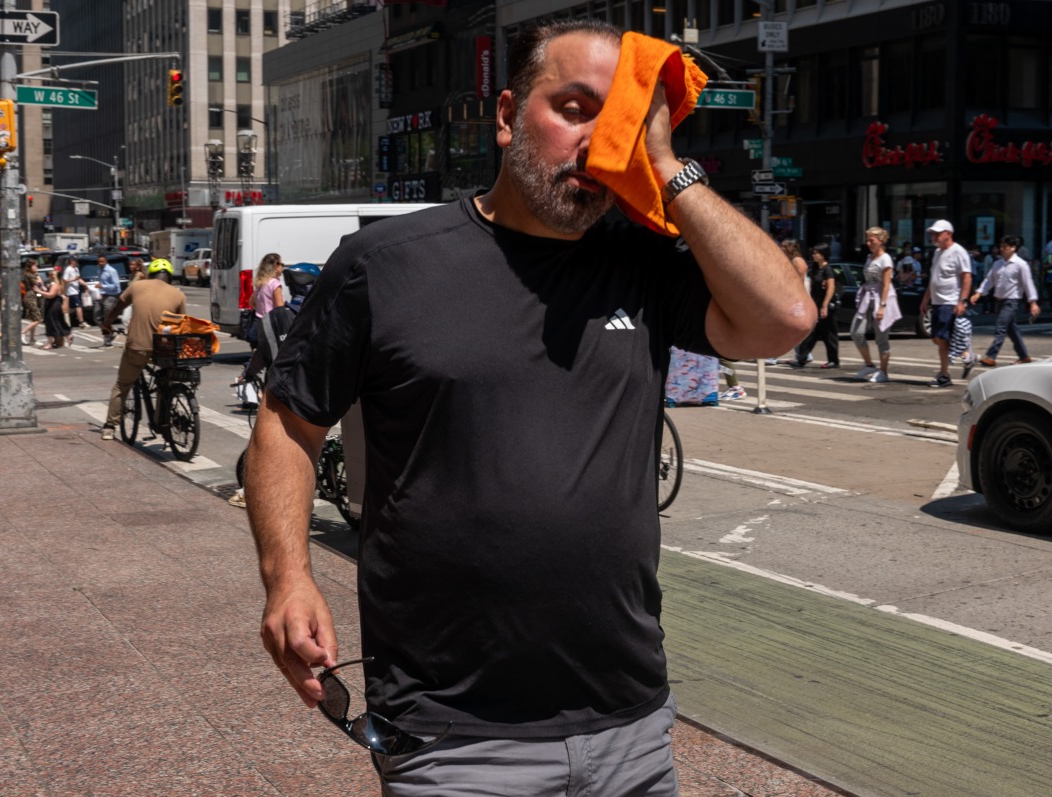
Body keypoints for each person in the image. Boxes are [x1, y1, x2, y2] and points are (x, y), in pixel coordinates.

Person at [244, 19, 814, 796]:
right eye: (574, 108)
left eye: (615, 120)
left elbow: (784, 318)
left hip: (630, 724)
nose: (593, 140)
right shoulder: (386, 265)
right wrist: (288, 576)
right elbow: (287, 420)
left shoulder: (640, 267)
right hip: (453, 733)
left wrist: (664, 163)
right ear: (508, 115)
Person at [98, 258, 186, 441]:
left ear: (149, 274)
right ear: (168, 276)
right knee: (165, 383)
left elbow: (117, 306)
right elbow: (182, 324)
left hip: (138, 347)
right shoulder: (178, 294)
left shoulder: (137, 286)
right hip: (166, 350)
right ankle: (163, 420)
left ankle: (109, 427)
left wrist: (107, 324)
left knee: (122, 385)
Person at [970, 234, 1041, 367]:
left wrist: (1033, 302)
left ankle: (991, 356)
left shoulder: (1021, 265)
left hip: (1012, 301)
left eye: (1005, 247)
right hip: (999, 301)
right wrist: (979, 293)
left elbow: (1028, 284)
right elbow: (989, 280)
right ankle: (1024, 356)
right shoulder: (998, 264)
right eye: (1001, 246)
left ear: (1013, 248)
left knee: (1001, 327)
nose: (1002, 249)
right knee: (1012, 330)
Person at [919, 220, 973, 388]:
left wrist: (962, 300)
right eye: (932, 234)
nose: (934, 237)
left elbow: (966, 277)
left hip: (949, 301)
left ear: (948, 234)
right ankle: (966, 354)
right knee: (937, 338)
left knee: (941, 338)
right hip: (936, 301)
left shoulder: (959, 252)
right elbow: (933, 278)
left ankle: (944, 375)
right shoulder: (936, 253)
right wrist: (926, 298)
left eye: (937, 233)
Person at [850, 227, 900, 383]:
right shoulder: (869, 257)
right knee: (856, 332)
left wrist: (882, 306)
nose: (869, 243)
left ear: (881, 240)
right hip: (868, 298)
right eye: (868, 240)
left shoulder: (886, 259)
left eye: (872, 240)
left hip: (881, 298)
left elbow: (886, 284)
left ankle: (883, 372)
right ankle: (869, 364)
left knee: (881, 338)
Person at [794, 243, 839, 369]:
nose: (813, 255)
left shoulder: (828, 269)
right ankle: (802, 358)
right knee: (812, 333)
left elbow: (831, 288)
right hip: (815, 304)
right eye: (813, 252)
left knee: (829, 334)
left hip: (825, 306)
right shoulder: (814, 268)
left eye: (816, 253)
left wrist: (824, 306)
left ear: (823, 255)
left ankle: (833, 361)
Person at [34, 267, 71, 349]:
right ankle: (66, 336)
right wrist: (42, 288)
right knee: (57, 322)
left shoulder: (55, 285)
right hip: (53, 305)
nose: (48, 276)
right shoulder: (54, 284)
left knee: (51, 323)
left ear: (53, 276)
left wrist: (39, 291)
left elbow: (51, 295)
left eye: (50, 274)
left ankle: (50, 343)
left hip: (53, 305)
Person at [97, 255, 122, 347]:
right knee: (97, 317)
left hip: (112, 296)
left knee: (106, 319)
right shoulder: (99, 271)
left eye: (102, 261)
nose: (100, 263)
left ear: (106, 262)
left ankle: (107, 339)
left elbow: (116, 286)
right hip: (102, 295)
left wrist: (103, 286)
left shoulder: (112, 271)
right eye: (99, 262)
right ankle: (111, 332)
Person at [20, 260, 45, 346]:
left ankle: (32, 338)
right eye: (35, 266)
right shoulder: (29, 275)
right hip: (31, 297)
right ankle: (23, 333)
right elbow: (39, 284)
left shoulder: (34, 275)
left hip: (36, 296)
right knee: (38, 319)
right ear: (30, 266)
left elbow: (41, 287)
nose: (36, 268)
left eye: (37, 266)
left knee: (34, 319)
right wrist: (39, 278)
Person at [63, 257, 87, 328]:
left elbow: (78, 279)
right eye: (75, 261)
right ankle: (81, 322)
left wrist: (85, 285)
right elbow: (65, 280)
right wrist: (73, 279)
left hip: (77, 290)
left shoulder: (76, 269)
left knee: (71, 308)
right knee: (78, 306)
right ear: (71, 261)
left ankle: (65, 320)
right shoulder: (68, 269)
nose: (76, 263)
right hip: (71, 291)